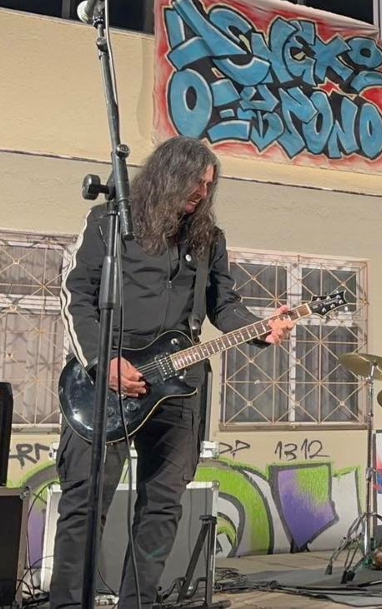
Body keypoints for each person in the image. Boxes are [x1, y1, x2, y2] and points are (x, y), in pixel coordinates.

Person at [54, 136, 294, 608]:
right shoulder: (109, 221)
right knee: (85, 504)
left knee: (162, 508)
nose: (202, 193)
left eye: (209, 186)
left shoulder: (209, 239)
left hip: (178, 387)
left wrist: (260, 328)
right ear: (167, 175)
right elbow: (75, 293)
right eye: (194, 182)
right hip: (105, 381)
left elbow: (223, 304)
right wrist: (101, 362)